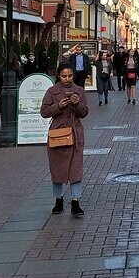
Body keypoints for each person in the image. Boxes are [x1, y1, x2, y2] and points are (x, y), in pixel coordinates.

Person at [40, 62, 89, 217]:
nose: (67, 79)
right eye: (64, 76)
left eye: (70, 76)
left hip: (75, 135)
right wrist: (59, 106)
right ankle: (58, 200)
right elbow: (44, 112)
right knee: (57, 168)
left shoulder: (79, 90)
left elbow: (84, 112)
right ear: (58, 76)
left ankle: (76, 202)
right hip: (58, 134)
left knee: (76, 169)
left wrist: (76, 104)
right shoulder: (52, 91)